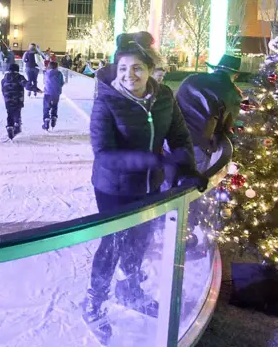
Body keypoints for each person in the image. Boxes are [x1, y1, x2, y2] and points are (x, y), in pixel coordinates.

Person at [83, 32, 202, 343]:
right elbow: (104, 154)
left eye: (137, 68)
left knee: (141, 239)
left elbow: (179, 137)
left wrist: (187, 167)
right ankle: (94, 302)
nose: (129, 75)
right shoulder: (106, 101)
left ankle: (131, 288)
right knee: (112, 244)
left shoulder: (164, 98)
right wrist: (155, 161)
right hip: (114, 187)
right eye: (122, 69)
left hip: (151, 186)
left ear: (150, 70)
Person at [175, 55, 244, 175]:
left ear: (215, 69)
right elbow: (227, 126)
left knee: (168, 179)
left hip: (172, 137)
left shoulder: (192, 79)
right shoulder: (233, 93)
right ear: (235, 75)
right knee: (191, 185)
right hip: (198, 144)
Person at [1, 63, 34, 140]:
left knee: (9, 113)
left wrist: (5, 97)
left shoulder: (4, 79)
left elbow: (2, 89)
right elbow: (27, 85)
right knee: (17, 112)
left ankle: (9, 126)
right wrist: (36, 89)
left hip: (7, 99)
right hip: (17, 99)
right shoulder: (19, 77)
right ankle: (17, 125)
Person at [42, 61, 64, 131]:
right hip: (56, 93)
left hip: (47, 93)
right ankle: (54, 118)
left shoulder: (46, 73)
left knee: (46, 107)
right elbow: (61, 83)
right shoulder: (59, 73)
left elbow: (44, 82)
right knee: (54, 106)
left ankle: (46, 119)